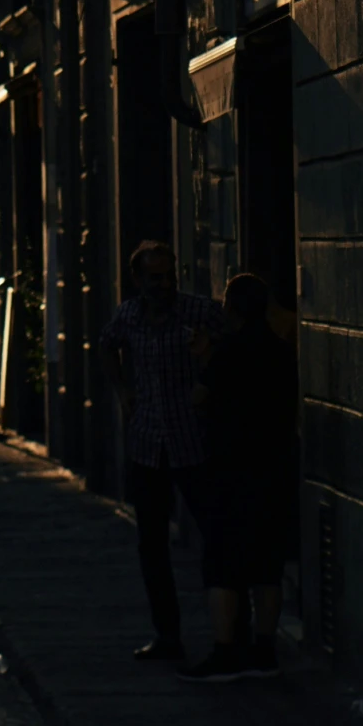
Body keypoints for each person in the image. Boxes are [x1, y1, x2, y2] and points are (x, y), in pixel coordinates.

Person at [100, 240, 220, 664]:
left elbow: (230, 346)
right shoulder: (129, 316)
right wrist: (123, 391)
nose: (165, 284)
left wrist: (209, 378)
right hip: (148, 442)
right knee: (151, 545)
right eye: (155, 277)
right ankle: (167, 635)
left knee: (216, 536)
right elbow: (107, 344)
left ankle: (231, 630)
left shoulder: (198, 311)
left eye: (169, 275)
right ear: (139, 280)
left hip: (192, 442)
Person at [180, 270, 296, 681]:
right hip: (275, 469)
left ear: (232, 308)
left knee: (223, 564)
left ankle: (226, 651)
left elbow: (200, 397)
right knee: (267, 563)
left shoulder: (228, 352)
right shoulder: (282, 352)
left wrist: (203, 359)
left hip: (230, 470)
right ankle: (264, 651)